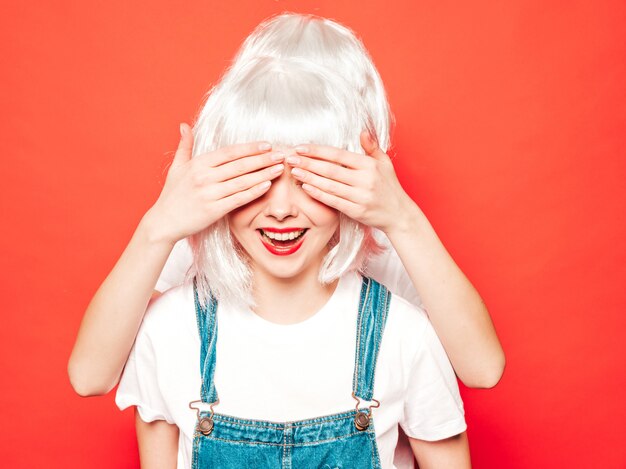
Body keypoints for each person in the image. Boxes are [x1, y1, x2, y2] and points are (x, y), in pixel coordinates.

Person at [68, 12, 502, 468]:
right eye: (263, 168)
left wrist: (403, 219)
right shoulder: (186, 291)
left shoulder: (396, 297)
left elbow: (481, 369)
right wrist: (159, 225)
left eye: (314, 165)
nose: (281, 208)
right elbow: (93, 375)